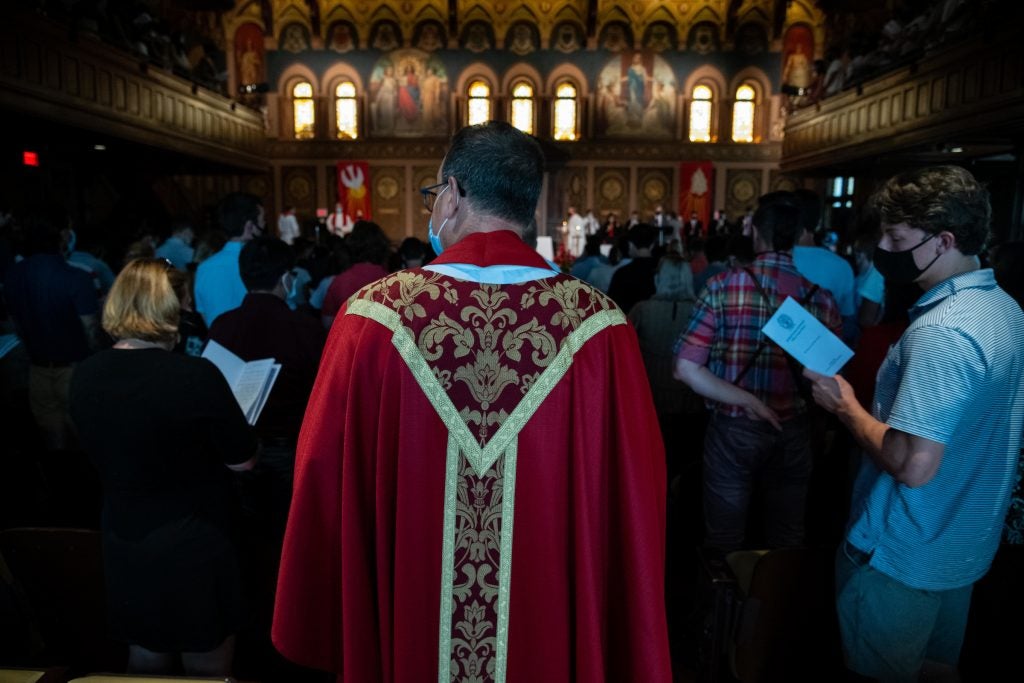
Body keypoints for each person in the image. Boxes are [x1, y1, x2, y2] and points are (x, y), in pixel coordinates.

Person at [272, 121, 672, 681]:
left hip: (405, 622)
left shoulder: (371, 319)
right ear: (527, 208)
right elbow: (636, 488)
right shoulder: (600, 327)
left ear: (453, 195)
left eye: (434, 196)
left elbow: (320, 471)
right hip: (549, 630)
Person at [803, 166, 1024, 683]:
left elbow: (912, 462)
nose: (882, 246)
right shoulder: (1005, 308)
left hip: (901, 551)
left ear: (943, 240)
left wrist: (844, 406)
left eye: (895, 237)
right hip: (961, 545)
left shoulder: (944, 330)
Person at [69, 258, 258, 676]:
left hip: (124, 537)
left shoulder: (86, 374)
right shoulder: (193, 375)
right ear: (167, 307)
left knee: (145, 660)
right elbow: (243, 460)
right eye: (183, 300)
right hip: (195, 537)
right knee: (206, 663)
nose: (188, 307)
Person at [673, 200, 842, 551]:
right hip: (794, 428)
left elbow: (685, 368)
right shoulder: (821, 299)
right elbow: (830, 381)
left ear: (752, 231)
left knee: (724, 537)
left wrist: (746, 399)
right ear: (799, 236)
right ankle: (776, 603)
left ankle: (724, 605)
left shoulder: (722, 287)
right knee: (788, 536)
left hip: (734, 428)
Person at [5, 213, 102, 450]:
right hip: (73, 369)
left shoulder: (13, 276)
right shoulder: (75, 277)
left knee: (55, 448)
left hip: (37, 368)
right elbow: (90, 328)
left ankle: (61, 485)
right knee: (86, 444)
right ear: (59, 239)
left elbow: (14, 321)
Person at [194, 192, 264, 327]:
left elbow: (204, 313)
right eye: (262, 219)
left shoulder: (204, 268)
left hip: (218, 344)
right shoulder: (262, 262)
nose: (264, 224)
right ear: (250, 225)